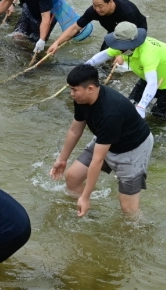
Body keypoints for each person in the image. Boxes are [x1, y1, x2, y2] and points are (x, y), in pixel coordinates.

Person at [50, 64, 154, 217]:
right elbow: (75, 130)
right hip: (105, 141)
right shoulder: (81, 99)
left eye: (74, 89)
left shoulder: (110, 113)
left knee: (128, 209)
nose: (71, 93)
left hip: (132, 150)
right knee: (72, 178)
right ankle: (92, 212)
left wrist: (85, 196)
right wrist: (62, 159)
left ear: (90, 89)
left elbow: (97, 160)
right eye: (70, 89)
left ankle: (143, 233)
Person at [84, 23, 166, 120]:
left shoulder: (148, 54)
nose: (118, 49)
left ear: (132, 43)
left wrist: (142, 107)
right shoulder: (123, 47)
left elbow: (152, 82)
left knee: (157, 115)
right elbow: (106, 54)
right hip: (146, 77)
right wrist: (86, 66)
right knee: (131, 103)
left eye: (120, 46)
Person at [48, 0, 148, 55]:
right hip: (114, 30)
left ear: (111, 2)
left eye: (100, 6)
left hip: (135, 29)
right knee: (104, 56)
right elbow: (75, 28)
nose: (97, 9)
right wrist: (56, 43)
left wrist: (120, 55)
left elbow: (130, 38)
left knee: (135, 52)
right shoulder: (93, 11)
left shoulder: (126, 12)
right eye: (94, 5)